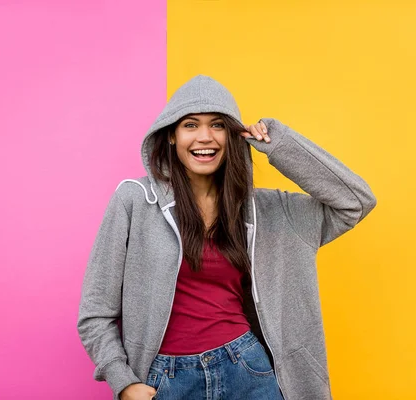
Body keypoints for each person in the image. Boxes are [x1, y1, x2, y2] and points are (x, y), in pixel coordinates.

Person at [77, 75, 377, 400]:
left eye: (218, 125)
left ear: (233, 135)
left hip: (246, 368)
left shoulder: (266, 209)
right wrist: (123, 381)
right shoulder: (134, 201)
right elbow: (95, 312)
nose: (205, 137)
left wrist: (280, 144)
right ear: (170, 137)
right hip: (165, 380)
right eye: (190, 125)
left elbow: (356, 202)